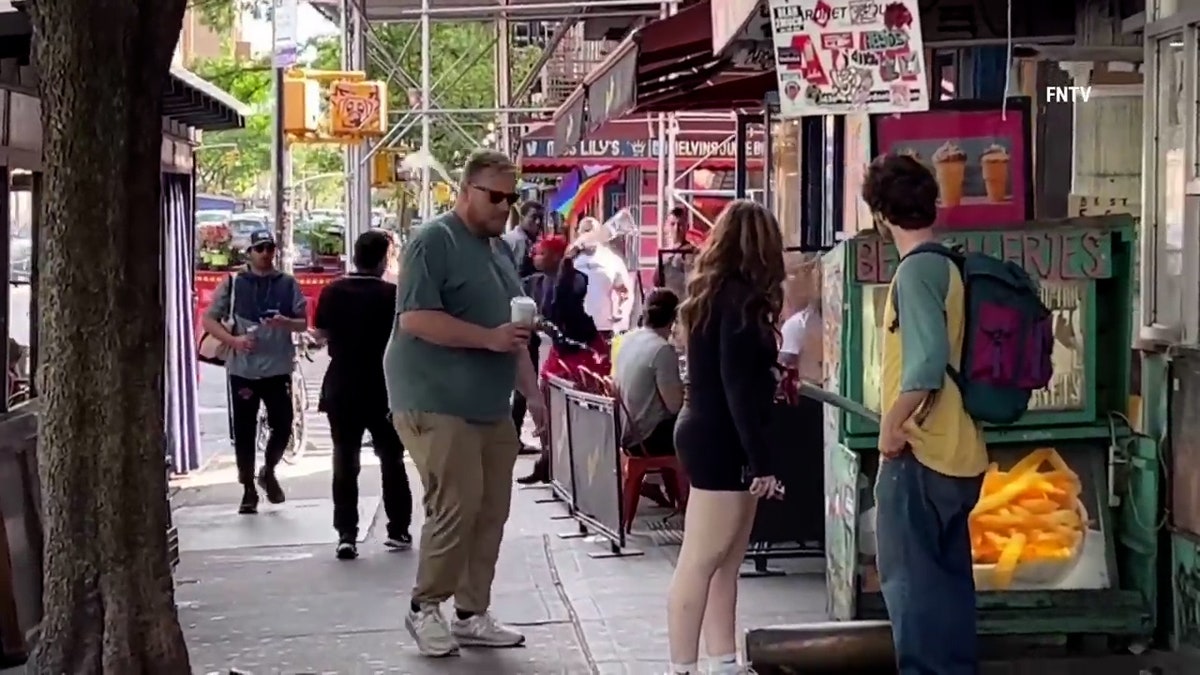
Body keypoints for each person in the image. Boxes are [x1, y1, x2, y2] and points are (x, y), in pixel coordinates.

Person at [385, 149, 545, 657]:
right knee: (454, 505)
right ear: (465, 190)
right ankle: (424, 606)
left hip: (490, 404)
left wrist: (535, 397)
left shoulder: (499, 251)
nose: (504, 206)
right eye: (494, 195)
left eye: (511, 197)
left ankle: (471, 612)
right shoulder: (434, 240)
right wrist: (488, 339)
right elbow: (415, 318)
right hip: (434, 397)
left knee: (490, 508)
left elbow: (512, 336)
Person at [862, 153, 987, 674]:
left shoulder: (914, 274)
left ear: (880, 215)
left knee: (913, 597)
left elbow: (927, 364)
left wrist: (892, 424)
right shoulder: (948, 265)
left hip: (920, 454)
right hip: (960, 455)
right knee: (950, 593)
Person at [666, 200, 785, 675]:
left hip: (707, 431)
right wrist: (762, 463)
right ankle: (685, 666)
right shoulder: (740, 303)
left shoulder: (714, 297)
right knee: (703, 560)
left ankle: (720, 660)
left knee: (722, 559)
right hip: (722, 437)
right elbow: (737, 388)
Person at [314, 230, 414, 560]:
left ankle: (346, 533)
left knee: (345, 459)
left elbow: (322, 333)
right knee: (392, 458)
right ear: (385, 258)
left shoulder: (333, 291)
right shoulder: (394, 295)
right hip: (384, 386)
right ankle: (398, 528)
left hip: (342, 384)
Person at [201, 230, 309, 514]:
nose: (264, 253)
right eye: (259, 248)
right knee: (244, 430)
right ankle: (247, 488)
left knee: (283, 424)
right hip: (243, 369)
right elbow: (209, 320)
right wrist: (234, 341)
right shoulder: (234, 283)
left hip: (277, 366)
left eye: (269, 247)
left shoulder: (287, 284)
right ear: (248, 252)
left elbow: (302, 323)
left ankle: (269, 470)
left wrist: (286, 322)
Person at [515, 234, 610, 485]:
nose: (535, 257)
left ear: (557, 256)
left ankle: (584, 469)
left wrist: (566, 266)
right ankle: (547, 459)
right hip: (562, 351)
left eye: (542, 253)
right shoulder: (537, 282)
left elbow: (567, 300)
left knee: (583, 408)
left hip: (584, 351)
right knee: (545, 402)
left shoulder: (576, 278)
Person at [612, 288, 683, 457]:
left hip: (625, 430)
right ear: (674, 318)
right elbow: (675, 406)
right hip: (647, 437)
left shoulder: (627, 339)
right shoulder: (662, 350)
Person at [504, 201, 546, 453]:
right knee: (523, 381)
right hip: (518, 323)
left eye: (541, 218)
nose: (538, 224)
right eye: (534, 218)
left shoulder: (523, 242)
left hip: (521, 322)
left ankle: (511, 434)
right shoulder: (519, 243)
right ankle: (512, 435)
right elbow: (517, 284)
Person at [572, 216, 632, 338]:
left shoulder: (611, 259)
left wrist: (620, 310)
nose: (588, 235)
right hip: (574, 326)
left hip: (602, 327)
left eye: (591, 230)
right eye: (585, 230)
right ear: (578, 233)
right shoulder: (571, 260)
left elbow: (624, 291)